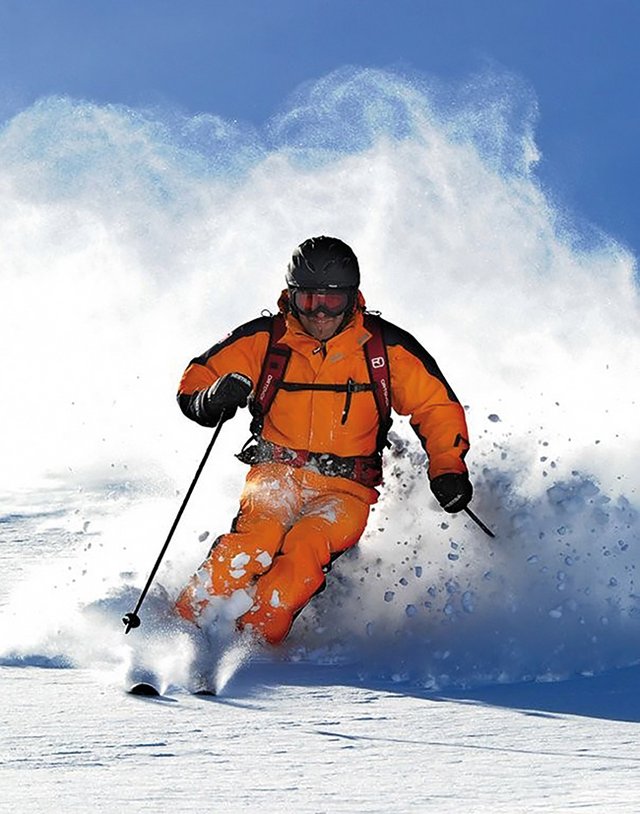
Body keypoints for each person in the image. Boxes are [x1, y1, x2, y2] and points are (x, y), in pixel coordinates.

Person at [174, 236, 472, 645]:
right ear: (290, 296)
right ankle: (180, 628)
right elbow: (197, 380)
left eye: (331, 302)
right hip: (276, 474)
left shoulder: (385, 349)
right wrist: (213, 398)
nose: (319, 313)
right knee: (255, 541)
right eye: (308, 299)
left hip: (346, 490)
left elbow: (436, 407)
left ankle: (250, 647)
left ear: (352, 300)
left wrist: (448, 468)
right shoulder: (267, 339)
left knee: (304, 551)